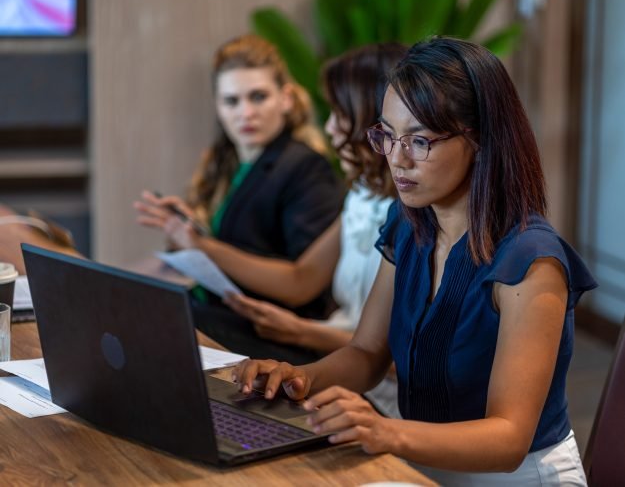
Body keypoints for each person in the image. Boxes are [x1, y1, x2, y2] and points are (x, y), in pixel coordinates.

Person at [232, 37, 597, 485]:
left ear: (479, 140)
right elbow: (366, 354)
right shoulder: (408, 222)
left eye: (420, 141)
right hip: (421, 463)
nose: (397, 160)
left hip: (517, 476)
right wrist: (296, 377)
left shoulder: (531, 260)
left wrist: (385, 430)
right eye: (387, 135)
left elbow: (509, 439)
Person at [206, 43, 405, 416]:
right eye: (231, 101)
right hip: (341, 366)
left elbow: (389, 357)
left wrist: (299, 331)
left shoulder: (415, 216)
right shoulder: (362, 194)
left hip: (380, 395)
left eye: (339, 114)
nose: (329, 128)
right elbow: (305, 276)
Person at [134, 35, 344, 361]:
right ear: (218, 107)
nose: (245, 113)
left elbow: (301, 286)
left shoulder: (305, 168)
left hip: (273, 338)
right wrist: (189, 232)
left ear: (286, 99)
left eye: (258, 97)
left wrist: (203, 246)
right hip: (221, 319)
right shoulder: (231, 164)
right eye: (231, 101)